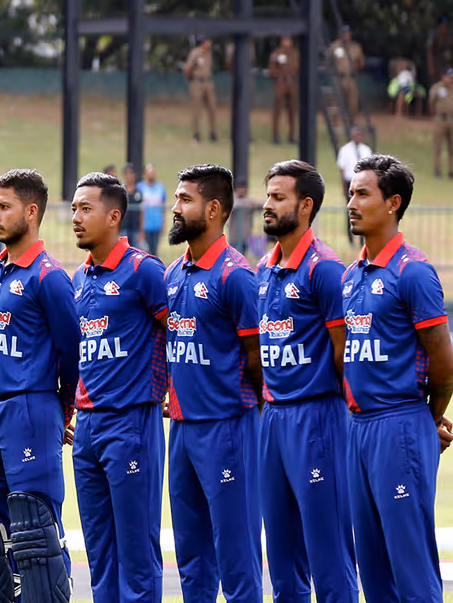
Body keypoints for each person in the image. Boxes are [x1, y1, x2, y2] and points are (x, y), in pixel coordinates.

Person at [341, 154, 453, 602]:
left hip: (399, 424)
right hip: (358, 428)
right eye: (351, 192)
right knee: (372, 568)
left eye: (362, 193)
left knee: (410, 564)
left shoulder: (414, 271)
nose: (351, 202)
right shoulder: (351, 276)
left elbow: (444, 363)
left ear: (393, 203)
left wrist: (429, 419)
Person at [0, 169, 79, 603]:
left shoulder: (49, 277)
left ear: (31, 212)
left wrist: (60, 412)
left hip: (29, 412)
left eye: (3, 206)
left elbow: (72, 354)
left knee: (36, 533)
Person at [254, 160, 357, 603]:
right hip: (271, 420)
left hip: (318, 419)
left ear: (306, 205)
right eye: (268, 195)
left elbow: (344, 353)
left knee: (329, 557)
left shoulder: (326, 269)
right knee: (281, 558)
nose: (267, 205)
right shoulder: (262, 269)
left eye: (278, 197)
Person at [163, 164, 263, 603]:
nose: (175, 208)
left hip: (228, 429)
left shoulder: (236, 275)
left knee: (237, 555)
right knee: (192, 559)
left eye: (186, 200)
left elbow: (258, 359)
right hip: (181, 431)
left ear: (215, 209)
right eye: (176, 198)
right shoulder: (172, 274)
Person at [69, 172, 169, 603]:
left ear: (114, 216)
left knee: (136, 552)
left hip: (130, 425)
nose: (75, 217)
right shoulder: (78, 278)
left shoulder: (145, 272)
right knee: (100, 554)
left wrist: (164, 389)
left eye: (85, 208)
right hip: (86, 430)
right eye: (73, 208)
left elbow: (178, 334)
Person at [327, 26, 364, 120]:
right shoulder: (334, 46)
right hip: (338, 77)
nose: (346, 36)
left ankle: (351, 123)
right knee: (335, 102)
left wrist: (356, 68)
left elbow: (361, 62)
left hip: (351, 78)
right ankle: (334, 123)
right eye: (343, 33)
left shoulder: (356, 47)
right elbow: (327, 60)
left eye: (347, 33)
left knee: (353, 103)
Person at [184, 38, 217, 143]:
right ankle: (196, 134)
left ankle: (213, 132)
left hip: (208, 82)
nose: (210, 43)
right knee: (196, 110)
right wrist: (191, 79)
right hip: (197, 82)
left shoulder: (209, 53)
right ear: (204, 42)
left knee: (212, 108)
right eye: (209, 41)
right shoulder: (195, 53)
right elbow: (187, 69)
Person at [268, 35, 299, 144]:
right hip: (280, 83)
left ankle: (291, 136)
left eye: (288, 40)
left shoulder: (294, 53)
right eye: (284, 40)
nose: (286, 42)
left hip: (291, 83)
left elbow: (297, 67)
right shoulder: (276, 53)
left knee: (292, 111)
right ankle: (276, 136)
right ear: (281, 41)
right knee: (277, 112)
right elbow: (271, 70)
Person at [137, 164, 167, 258]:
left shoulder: (161, 188)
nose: (151, 174)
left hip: (157, 224)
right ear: (145, 174)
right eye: (149, 172)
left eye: (152, 172)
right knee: (145, 252)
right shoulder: (140, 187)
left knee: (155, 251)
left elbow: (163, 207)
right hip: (145, 225)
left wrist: (163, 224)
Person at [429, 69, 453, 177]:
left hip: (451, 119)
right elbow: (431, 102)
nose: (450, 79)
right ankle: (437, 170)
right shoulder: (437, 88)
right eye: (448, 77)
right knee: (437, 146)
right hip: (440, 119)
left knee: (451, 147)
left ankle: (451, 170)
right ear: (443, 77)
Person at [426, 14, 453, 88]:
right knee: (436, 86)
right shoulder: (434, 34)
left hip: (449, 64)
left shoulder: (450, 34)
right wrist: (431, 68)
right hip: (437, 64)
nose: (444, 28)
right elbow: (430, 51)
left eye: (446, 26)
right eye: (442, 25)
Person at [121, 164, 144, 248]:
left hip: (135, 229)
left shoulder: (138, 193)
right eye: (127, 173)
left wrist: (141, 231)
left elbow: (141, 212)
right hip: (123, 228)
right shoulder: (121, 192)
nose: (129, 176)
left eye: (131, 173)